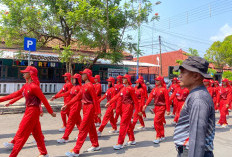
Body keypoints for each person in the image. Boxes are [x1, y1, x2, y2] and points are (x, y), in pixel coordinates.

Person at [0, 66, 56, 157]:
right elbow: (14, 95)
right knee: (37, 134)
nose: (23, 74)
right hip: (29, 110)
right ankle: (44, 153)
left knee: (22, 134)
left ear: (30, 74)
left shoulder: (34, 87)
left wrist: (51, 112)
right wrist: (2, 100)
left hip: (33, 111)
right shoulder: (26, 86)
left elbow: (43, 99)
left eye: (25, 72)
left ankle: (12, 155)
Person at [173, 56, 215, 157]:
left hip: (192, 151)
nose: (180, 76)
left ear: (196, 76)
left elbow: (197, 138)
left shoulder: (198, 98)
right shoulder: (195, 94)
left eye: (183, 72)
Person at [64, 69, 101, 157]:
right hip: (85, 107)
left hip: (90, 107)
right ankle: (96, 145)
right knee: (91, 127)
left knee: (83, 128)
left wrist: (98, 112)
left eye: (83, 74)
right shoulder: (84, 86)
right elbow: (77, 97)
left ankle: (76, 150)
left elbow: (95, 100)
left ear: (87, 75)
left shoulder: (90, 86)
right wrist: (67, 105)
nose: (82, 76)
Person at [106, 74, 139, 150]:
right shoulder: (123, 88)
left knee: (123, 124)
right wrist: (110, 102)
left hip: (129, 106)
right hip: (123, 106)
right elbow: (117, 96)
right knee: (128, 124)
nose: (123, 80)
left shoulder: (130, 89)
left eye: (124, 78)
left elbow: (135, 101)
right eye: (123, 78)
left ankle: (120, 143)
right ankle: (132, 139)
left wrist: (137, 111)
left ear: (128, 79)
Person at [52, 74, 82, 143]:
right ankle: (82, 134)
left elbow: (77, 98)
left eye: (74, 79)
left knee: (70, 121)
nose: (73, 80)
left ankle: (65, 137)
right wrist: (56, 96)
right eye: (73, 78)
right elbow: (66, 93)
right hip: (72, 105)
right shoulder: (74, 87)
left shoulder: (79, 88)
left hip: (76, 105)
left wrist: (67, 105)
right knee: (78, 121)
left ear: (77, 80)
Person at [143, 76, 170, 144]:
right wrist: (145, 105)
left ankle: (158, 136)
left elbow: (167, 100)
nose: (156, 82)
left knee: (156, 121)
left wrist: (168, 110)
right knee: (160, 122)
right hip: (156, 107)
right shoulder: (154, 89)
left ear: (161, 81)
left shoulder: (164, 89)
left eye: (158, 80)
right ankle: (162, 135)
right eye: (156, 80)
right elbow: (150, 98)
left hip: (162, 107)